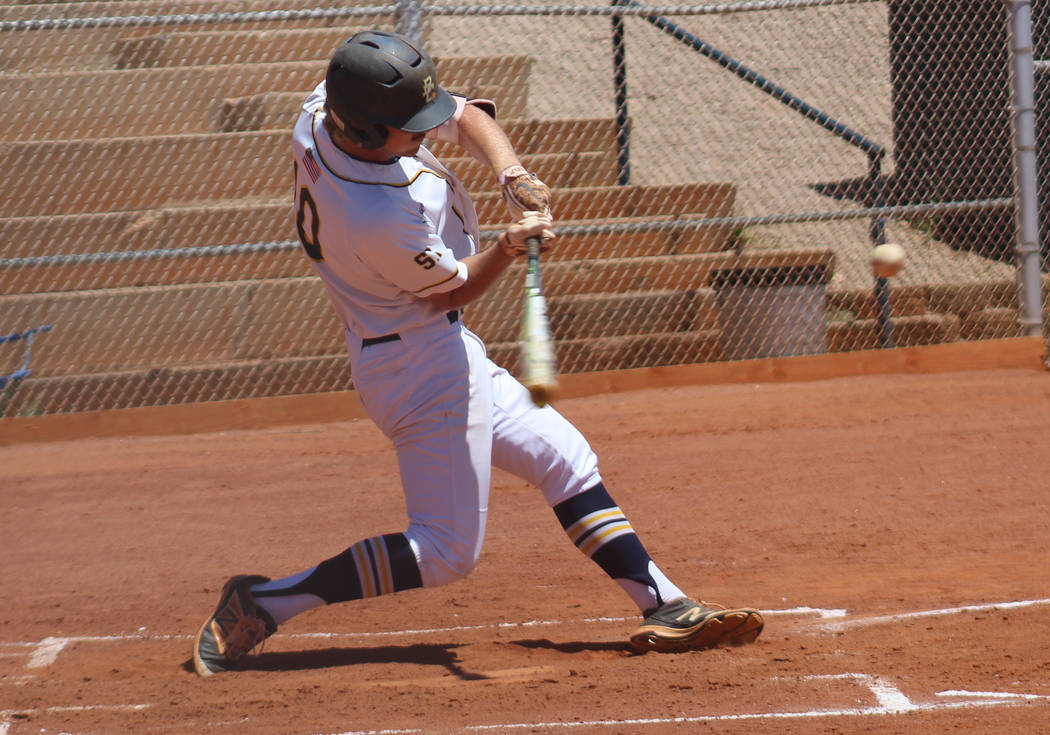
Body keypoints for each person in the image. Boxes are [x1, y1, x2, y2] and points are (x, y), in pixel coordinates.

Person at [191, 29, 763, 678]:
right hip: (417, 368)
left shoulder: (328, 104)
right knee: (444, 551)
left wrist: (511, 171)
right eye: (409, 129)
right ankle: (265, 600)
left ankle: (664, 602)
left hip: (434, 351)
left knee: (562, 455)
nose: (426, 134)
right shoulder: (375, 215)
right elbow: (452, 290)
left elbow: (462, 114)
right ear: (368, 132)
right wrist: (511, 248)